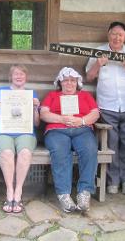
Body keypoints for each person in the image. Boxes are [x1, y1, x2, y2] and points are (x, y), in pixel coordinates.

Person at [86, 21, 125, 195]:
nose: (117, 37)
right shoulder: (99, 52)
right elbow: (89, 77)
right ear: (108, 34)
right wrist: (99, 64)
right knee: (111, 144)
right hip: (107, 106)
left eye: (120, 34)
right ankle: (113, 181)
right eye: (114, 33)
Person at [40, 67, 100, 212]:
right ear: (60, 83)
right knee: (60, 152)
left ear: (77, 82)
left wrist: (83, 121)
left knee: (90, 150)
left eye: (72, 81)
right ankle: (64, 194)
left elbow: (95, 113)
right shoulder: (52, 95)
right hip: (57, 130)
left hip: (82, 130)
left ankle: (84, 192)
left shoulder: (85, 96)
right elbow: (43, 114)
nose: (69, 84)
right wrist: (61, 118)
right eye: (65, 81)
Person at [0, 65, 40, 213]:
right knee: (6, 153)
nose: (19, 76)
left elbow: (37, 123)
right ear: (10, 77)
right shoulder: (1, 92)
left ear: (26, 77)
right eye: (16, 74)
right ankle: (9, 191)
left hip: (25, 132)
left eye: (22, 74)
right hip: (4, 132)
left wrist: (36, 108)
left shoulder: (31, 93)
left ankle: (18, 191)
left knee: (24, 152)